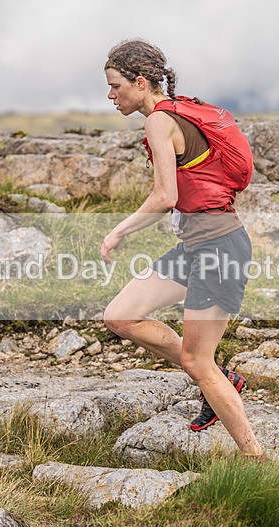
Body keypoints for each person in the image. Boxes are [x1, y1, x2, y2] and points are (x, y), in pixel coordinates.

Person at [100, 39, 266, 462]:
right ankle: (223, 377)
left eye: (116, 86)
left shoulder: (159, 122)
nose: (110, 95)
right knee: (120, 316)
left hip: (219, 248)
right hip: (197, 246)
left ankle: (255, 457)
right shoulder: (179, 112)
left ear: (141, 82)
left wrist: (118, 232)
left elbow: (164, 197)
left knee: (196, 360)